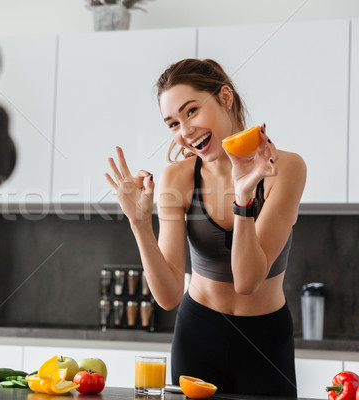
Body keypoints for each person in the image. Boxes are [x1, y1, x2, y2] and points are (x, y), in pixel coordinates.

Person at [105, 59, 306, 397]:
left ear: (225, 97)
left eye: (192, 111)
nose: (184, 131)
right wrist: (139, 224)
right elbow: (168, 296)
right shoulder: (178, 178)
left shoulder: (284, 168)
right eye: (172, 123)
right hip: (198, 333)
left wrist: (244, 197)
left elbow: (247, 281)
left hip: (265, 340)